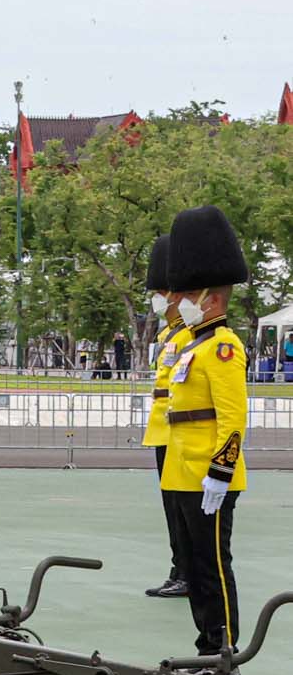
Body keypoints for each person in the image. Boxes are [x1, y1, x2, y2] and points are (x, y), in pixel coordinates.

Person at [159, 206, 251, 659]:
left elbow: (233, 417)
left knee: (214, 565)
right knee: (194, 567)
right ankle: (205, 644)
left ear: (211, 300)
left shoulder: (223, 347)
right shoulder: (192, 344)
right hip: (180, 469)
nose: (180, 304)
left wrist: (221, 470)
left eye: (188, 296)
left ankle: (225, 648)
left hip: (207, 472)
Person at [139, 237, 188, 598]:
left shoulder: (188, 333)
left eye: (160, 291)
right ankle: (178, 569)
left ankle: (187, 572)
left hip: (179, 431)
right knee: (171, 509)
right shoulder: (168, 332)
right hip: (162, 430)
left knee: (182, 510)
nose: (156, 297)